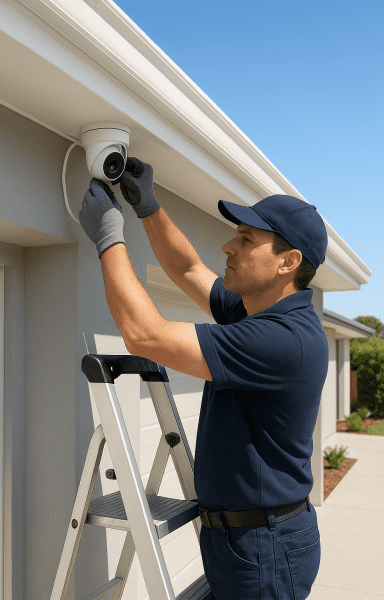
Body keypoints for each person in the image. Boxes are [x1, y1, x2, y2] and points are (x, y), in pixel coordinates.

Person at [79, 157, 329, 600]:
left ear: (288, 262)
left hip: (264, 547)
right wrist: (149, 209)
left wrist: (107, 238)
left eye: (246, 239)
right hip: (247, 540)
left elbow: (145, 335)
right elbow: (189, 270)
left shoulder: (282, 340)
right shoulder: (255, 311)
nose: (228, 247)